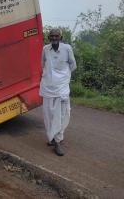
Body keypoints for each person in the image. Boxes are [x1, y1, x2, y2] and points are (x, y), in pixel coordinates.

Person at [40, 28, 77, 156]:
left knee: (61, 114)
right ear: (49, 38)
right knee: (49, 114)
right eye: (52, 36)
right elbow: (42, 65)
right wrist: (50, 77)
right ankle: (52, 137)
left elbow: (73, 65)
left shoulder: (67, 48)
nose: (54, 38)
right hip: (48, 88)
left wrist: (63, 77)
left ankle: (57, 141)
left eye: (56, 36)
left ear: (60, 38)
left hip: (62, 88)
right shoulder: (45, 49)